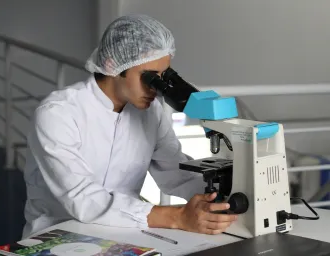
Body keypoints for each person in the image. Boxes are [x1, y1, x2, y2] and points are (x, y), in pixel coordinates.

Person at [22, 14, 238, 239]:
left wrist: (221, 199)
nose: (156, 89)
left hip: (122, 234)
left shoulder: (150, 113)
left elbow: (176, 173)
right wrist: (177, 217)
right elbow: (83, 198)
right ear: (112, 65)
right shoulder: (58, 113)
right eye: (150, 78)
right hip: (58, 236)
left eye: (164, 77)